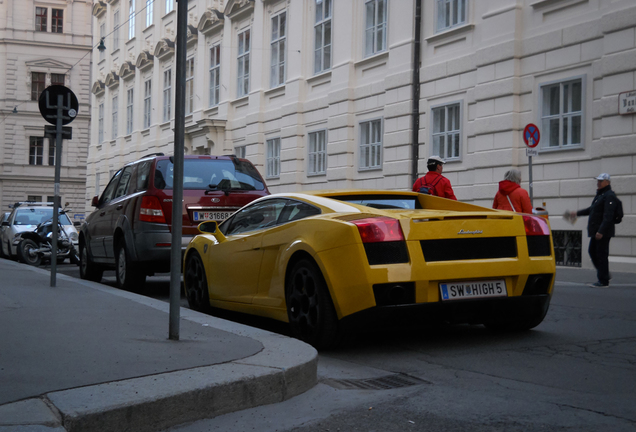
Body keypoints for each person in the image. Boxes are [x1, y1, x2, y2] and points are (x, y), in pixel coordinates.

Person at [569, 173, 618, 287]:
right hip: (596, 231)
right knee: (593, 251)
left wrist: (601, 231)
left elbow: (608, 216)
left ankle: (603, 280)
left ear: (607, 182)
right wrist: (577, 213)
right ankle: (604, 274)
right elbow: (592, 209)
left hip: (602, 232)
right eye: (598, 181)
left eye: (601, 181)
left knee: (601, 254)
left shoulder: (609, 195)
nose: (598, 183)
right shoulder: (601, 195)